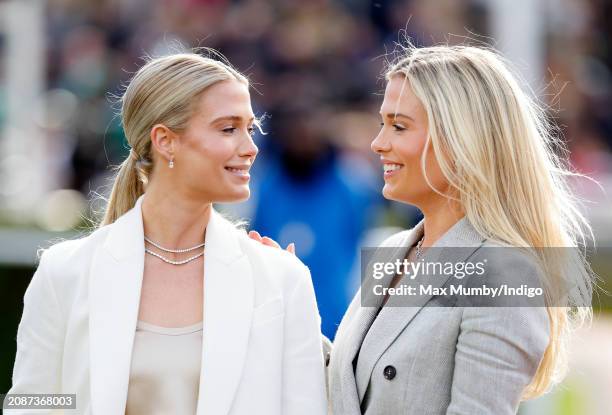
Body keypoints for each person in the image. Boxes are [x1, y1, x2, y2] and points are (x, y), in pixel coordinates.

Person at [252, 43, 593, 414]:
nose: (378, 143)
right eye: (381, 124)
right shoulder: (395, 249)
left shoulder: (504, 272)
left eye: (398, 126)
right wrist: (286, 299)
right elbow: (351, 388)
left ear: (461, 138)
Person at [6, 52, 328, 415]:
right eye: (228, 128)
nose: (250, 148)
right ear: (165, 140)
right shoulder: (64, 271)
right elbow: (33, 404)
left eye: (250, 129)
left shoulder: (282, 278)